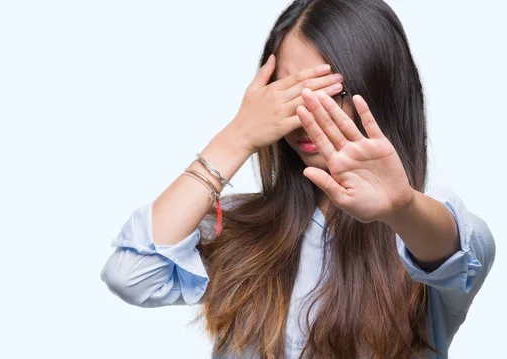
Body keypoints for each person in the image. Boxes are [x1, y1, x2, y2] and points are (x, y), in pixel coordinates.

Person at [100, 0, 496, 358]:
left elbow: (460, 252)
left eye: (328, 90)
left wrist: (403, 208)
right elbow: (130, 274)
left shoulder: (423, 227)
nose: (306, 111)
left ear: (377, 89)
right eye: (288, 91)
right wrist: (236, 137)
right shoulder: (240, 226)